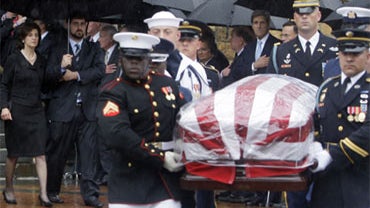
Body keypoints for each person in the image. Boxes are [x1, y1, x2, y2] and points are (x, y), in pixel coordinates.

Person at [96, 32, 186, 208]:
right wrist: (160, 158)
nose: (134, 63)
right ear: (121, 60)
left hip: (165, 181)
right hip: (129, 179)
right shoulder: (113, 92)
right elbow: (117, 134)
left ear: (148, 59)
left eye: (140, 59)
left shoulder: (166, 85)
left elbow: (185, 117)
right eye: (129, 59)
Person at [45, 12, 105, 207]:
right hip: (62, 108)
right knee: (57, 153)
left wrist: (76, 75)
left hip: (87, 109)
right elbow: (46, 74)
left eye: (83, 24)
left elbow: (99, 70)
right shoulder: (57, 46)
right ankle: (52, 191)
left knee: (89, 154)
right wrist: (61, 69)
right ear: (69, 25)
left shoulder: (93, 47)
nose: (80, 27)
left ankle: (90, 195)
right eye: (76, 24)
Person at [310, 28, 370, 208]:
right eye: (345, 53)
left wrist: (330, 155)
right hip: (327, 182)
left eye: (355, 53)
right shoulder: (328, 88)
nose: (349, 59)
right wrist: (313, 145)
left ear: (367, 56)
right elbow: (317, 123)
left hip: (360, 179)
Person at [0, 22, 52, 207]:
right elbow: (4, 85)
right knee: (13, 154)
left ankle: (44, 194)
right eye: (30, 35)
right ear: (23, 38)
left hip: (36, 110)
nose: (34, 38)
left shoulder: (42, 60)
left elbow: (47, 82)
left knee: (41, 154)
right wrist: (4, 107)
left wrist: (62, 66)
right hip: (17, 111)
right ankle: (9, 188)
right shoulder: (13, 59)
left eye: (36, 35)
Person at [266, 0, 337, 87]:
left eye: (309, 13)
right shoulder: (281, 51)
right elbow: (273, 86)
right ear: (294, 17)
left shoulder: (335, 48)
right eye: (300, 14)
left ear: (318, 16)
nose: (304, 17)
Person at [247, 10, 280, 75]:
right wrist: (254, 66)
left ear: (268, 25)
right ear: (252, 26)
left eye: (262, 23)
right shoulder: (248, 46)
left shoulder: (277, 45)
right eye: (256, 23)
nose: (259, 26)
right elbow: (240, 68)